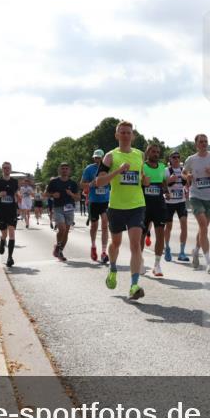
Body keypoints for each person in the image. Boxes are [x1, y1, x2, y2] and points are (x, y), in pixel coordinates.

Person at [95, 121, 147, 300]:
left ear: (133, 136)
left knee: (135, 245)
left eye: (128, 132)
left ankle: (134, 285)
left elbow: (140, 178)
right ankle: (113, 268)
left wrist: (145, 180)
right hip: (116, 206)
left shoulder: (140, 155)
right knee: (115, 243)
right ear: (117, 135)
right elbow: (99, 182)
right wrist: (118, 171)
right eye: (122, 132)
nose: (125, 135)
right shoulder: (110, 157)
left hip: (137, 206)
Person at [183, 133, 210, 272]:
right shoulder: (191, 159)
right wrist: (188, 176)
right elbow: (183, 173)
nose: (204, 143)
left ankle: (195, 250)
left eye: (205, 141)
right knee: (203, 225)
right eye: (201, 141)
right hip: (196, 196)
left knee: (203, 229)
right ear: (196, 144)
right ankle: (209, 262)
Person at [140, 143, 169, 276]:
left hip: (159, 205)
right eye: (153, 152)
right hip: (143, 206)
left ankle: (157, 265)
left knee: (160, 234)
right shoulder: (142, 166)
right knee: (141, 235)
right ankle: (139, 261)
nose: (156, 154)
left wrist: (167, 190)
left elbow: (163, 182)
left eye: (158, 152)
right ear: (148, 153)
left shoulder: (162, 167)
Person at [81, 149, 111, 264]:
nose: (97, 159)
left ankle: (104, 252)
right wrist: (90, 184)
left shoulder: (109, 167)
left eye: (99, 157)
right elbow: (81, 184)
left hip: (105, 201)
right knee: (94, 226)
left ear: (103, 158)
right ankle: (93, 246)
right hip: (93, 201)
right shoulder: (89, 169)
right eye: (95, 158)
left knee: (105, 224)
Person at [0, 162, 21, 267]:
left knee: (11, 232)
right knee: (4, 233)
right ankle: (2, 241)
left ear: (10, 169)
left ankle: (10, 257)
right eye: (4, 168)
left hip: (12, 210)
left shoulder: (14, 182)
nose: (6, 169)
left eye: (8, 168)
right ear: (2, 169)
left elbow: (17, 192)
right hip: (1, 211)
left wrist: (18, 197)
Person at [47, 163, 80, 261]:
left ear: (69, 171)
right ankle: (58, 246)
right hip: (58, 208)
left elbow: (78, 198)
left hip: (69, 209)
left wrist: (71, 194)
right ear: (59, 170)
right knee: (62, 228)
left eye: (66, 168)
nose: (64, 170)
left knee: (66, 232)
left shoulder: (73, 183)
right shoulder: (54, 182)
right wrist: (53, 195)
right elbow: (45, 194)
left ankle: (60, 250)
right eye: (63, 169)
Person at [163, 151, 190, 262]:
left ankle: (182, 252)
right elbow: (162, 184)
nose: (176, 159)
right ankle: (167, 247)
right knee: (168, 226)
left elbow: (187, 184)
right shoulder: (166, 170)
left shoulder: (184, 170)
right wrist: (169, 180)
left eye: (178, 157)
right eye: (174, 157)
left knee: (184, 224)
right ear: (170, 159)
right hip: (169, 203)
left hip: (181, 201)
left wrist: (187, 189)